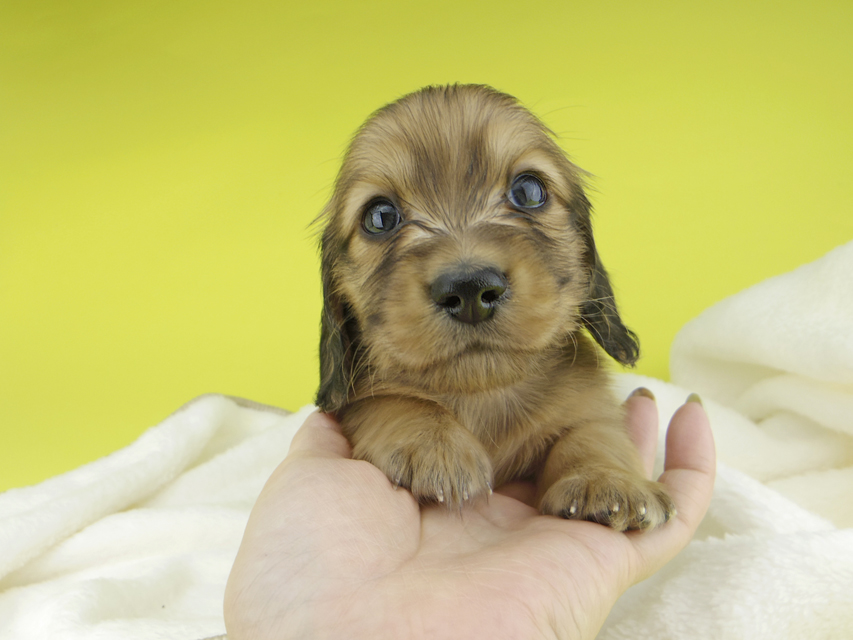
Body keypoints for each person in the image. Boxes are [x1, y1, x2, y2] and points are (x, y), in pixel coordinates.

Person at [224, 389, 715, 639]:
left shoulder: (572, 382)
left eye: (527, 192)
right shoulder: (376, 387)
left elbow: (586, 420)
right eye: (382, 219)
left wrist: (592, 461)